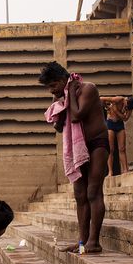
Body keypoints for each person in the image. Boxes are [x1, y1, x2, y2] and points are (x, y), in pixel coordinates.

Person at [40, 61, 109, 253]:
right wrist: (61, 101)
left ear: (64, 79)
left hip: (97, 144)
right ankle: (82, 242)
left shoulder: (88, 89)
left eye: (53, 85)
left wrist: (70, 93)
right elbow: (57, 125)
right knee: (80, 195)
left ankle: (93, 242)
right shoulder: (61, 98)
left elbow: (77, 115)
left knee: (93, 192)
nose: (51, 91)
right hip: (78, 149)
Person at [101, 95, 133, 176]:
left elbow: (125, 118)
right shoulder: (118, 99)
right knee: (110, 149)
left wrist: (116, 111)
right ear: (126, 100)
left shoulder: (130, 107)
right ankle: (110, 171)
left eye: (128, 107)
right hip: (110, 123)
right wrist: (106, 106)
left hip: (119, 125)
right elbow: (102, 98)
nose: (126, 107)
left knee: (122, 148)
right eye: (126, 105)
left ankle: (125, 169)